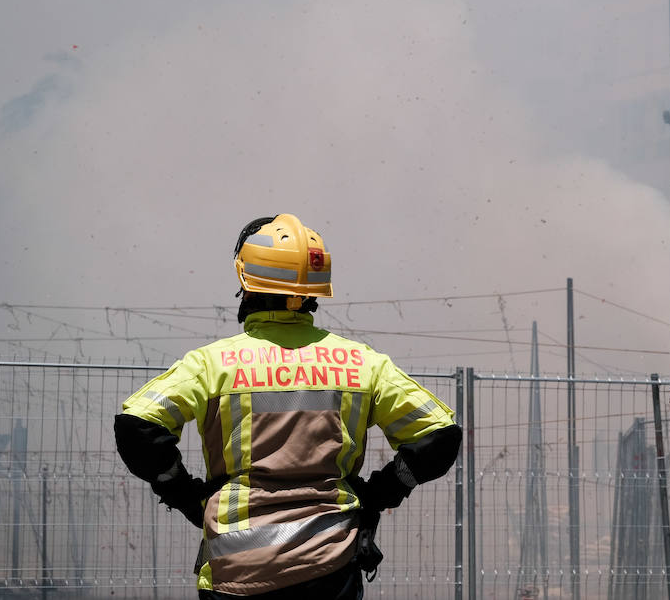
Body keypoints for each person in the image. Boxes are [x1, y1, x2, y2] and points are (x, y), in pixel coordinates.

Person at [115, 213, 462, 599]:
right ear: (315, 290)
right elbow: (440, 436)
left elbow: (137, 428)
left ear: (245, 279)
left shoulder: (210, 364)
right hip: (331, 567)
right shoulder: (362, 363)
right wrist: (382, 493)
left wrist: (184, 495)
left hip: (236, 573)